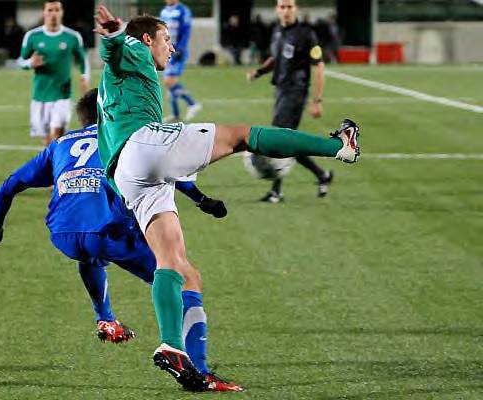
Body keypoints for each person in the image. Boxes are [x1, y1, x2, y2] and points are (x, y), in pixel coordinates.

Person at [94, 5, 360, 391]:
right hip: (143, 143)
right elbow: (115, 52)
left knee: (176, 265)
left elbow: (115, 61)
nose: (172, 48)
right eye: (167, 40)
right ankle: (338, 145)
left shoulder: (129, 73)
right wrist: (118, 34)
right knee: (240, 136)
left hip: (127, 175)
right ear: (148, 38)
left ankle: (175, 348)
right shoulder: (134, 47)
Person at [0, 89, 235, 390]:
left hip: (63, 234)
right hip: (109, 231)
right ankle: (198, 371)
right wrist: (203, 200)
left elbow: (9, 186)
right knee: (185, 276)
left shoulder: (60, 143)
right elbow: (166, 171)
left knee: (89, 253)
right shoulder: (123, 137)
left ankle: (106, 319)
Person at [247, 0, 332, 203]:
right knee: (287, 142)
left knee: (280, 139)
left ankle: (277, 191)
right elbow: (275, 59)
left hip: (296, 93)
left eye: (289, 7)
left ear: (296, 9)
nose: (285, 11)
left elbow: (319, 67)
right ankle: (322, 175)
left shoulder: (306, 34)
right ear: (277, 10)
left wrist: (317, 99)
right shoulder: (277, 31)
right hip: (281, 92)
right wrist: (258, 72)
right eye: (282, 7)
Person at [18, 0, 89, 145]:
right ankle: (52, 166)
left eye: (57, 10)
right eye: (50, 10)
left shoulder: (72, 37)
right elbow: (21, 61)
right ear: (44, 13)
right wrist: (31, 63)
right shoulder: (33, 36)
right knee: (47, 141)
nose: (53, 14)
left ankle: (57, 166)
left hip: (62, 95)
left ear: (62, 12)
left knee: (57, 135)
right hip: (40, 94)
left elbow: (83, 60)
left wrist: (84, 77)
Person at [159, 0, 202, 122]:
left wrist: (181, 49)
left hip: (177, 51)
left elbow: (186, 31)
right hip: (167, 50)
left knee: (169, 82)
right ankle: (176, 115)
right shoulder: (164, 11)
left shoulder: (183, 10)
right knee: (169, 84)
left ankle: (193, 104)